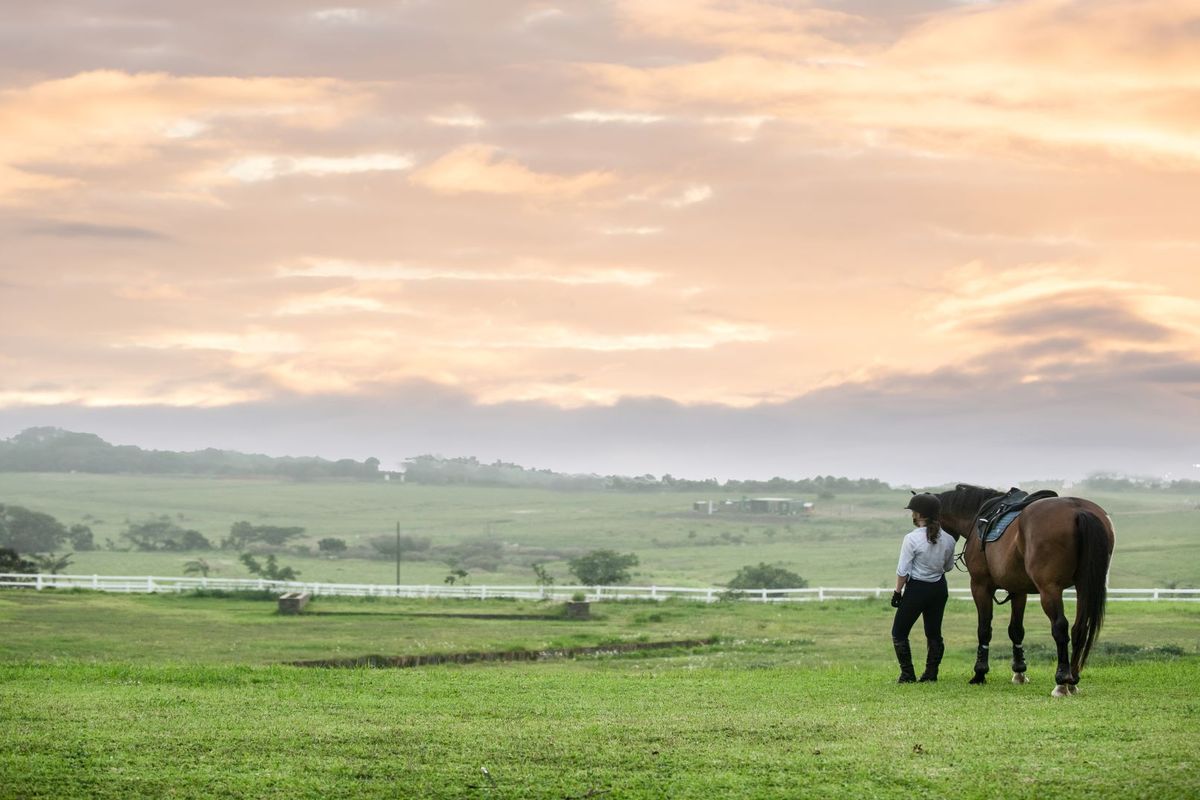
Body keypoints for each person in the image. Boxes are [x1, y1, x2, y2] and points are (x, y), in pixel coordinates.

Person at [890, 493, 956, 683]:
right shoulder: (949, 539)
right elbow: (948, 567)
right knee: (934, 633)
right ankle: (931, 673)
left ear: (918, 514)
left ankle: (907, 674)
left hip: (917, 589)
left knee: (899, 632)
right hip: (939, 588)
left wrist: (897, 592)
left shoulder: (911, 539)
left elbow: (903, 570)